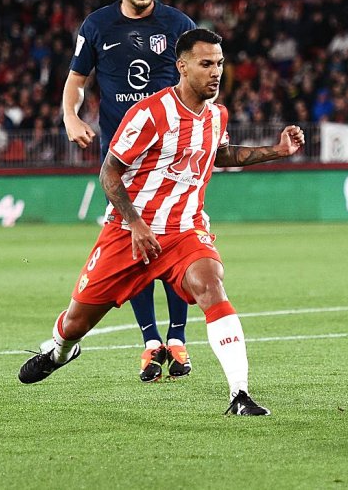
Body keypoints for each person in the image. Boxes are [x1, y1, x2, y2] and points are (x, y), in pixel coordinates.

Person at [20, 28, 306, 416]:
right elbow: (109, 173)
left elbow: (218, 156)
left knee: (212, 285)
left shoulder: (217, 115)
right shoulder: (150, 114)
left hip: (185, 230)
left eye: (220, 64)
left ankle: (240, 394)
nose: (216, 72)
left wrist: (278, 150)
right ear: (182, 67)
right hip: (128, 233)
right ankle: (58, 352)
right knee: (75, 322)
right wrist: (136, 224)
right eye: (206, 64)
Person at [62, 0, 197, 382]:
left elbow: (199, 85)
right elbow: (77, 81)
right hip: (122, 159)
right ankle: (150, 341)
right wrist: (70, 115)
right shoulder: (98, 25)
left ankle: (176, 339)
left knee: (175, 241)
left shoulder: (179, 25)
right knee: (133, 248)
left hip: (173, 154)